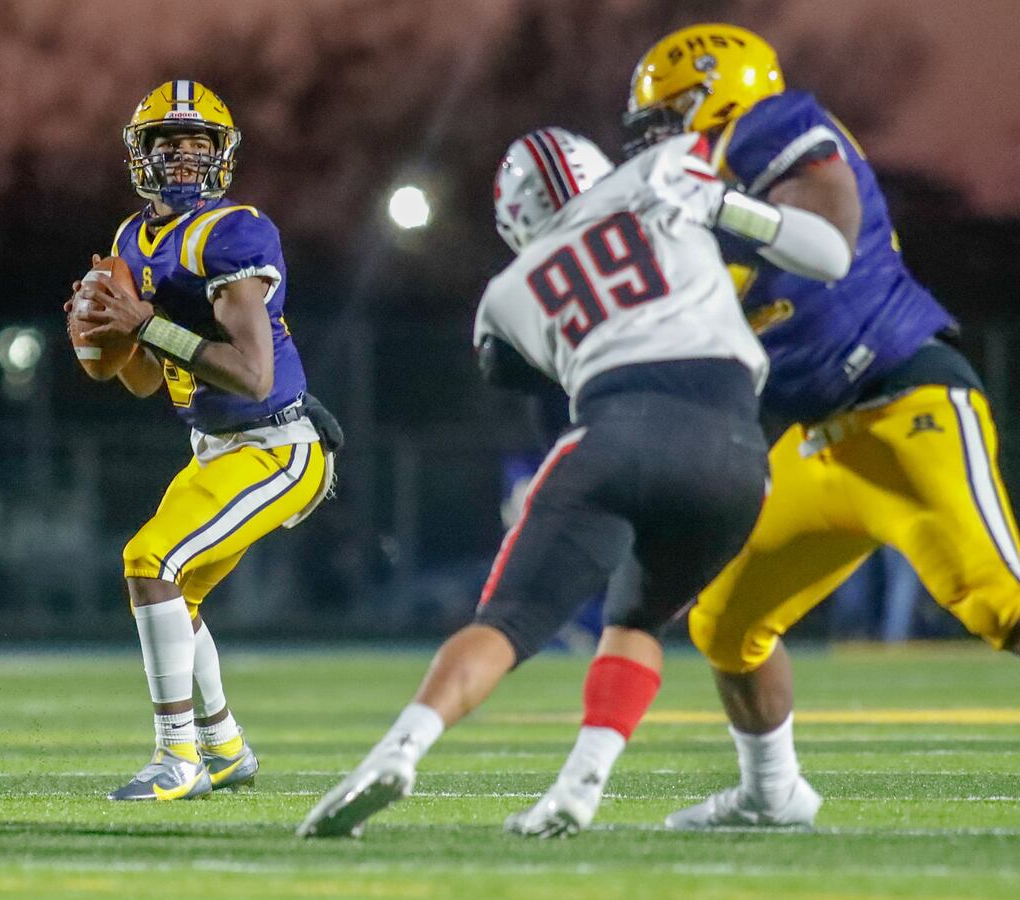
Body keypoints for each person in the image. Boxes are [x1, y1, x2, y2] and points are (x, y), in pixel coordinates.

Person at [301, 121, 837, 838]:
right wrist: (726, 208)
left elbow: (509, 366)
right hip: (735, 450)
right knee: (639, 620)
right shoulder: (665, 177)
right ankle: (580, 785)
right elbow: (823, 254)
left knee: (507, 623)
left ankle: (396, 752)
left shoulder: (507, 292)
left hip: (616, 431)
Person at [618, 23, 1020, 830]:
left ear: (714, 91)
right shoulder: (699, 203)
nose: (660, 139)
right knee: (725, 624)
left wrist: (716, 202)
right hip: (820, 438)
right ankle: (773, 796)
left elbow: (829, 251)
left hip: (907, 405)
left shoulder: (772, 125)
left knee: (999, 602)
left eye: (671, 115)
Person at [70, 80, 339, 802]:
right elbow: (146, 381)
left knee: (149, 559)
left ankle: (176, 757)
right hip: (216, 449)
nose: (184, 158)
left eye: (199, 145)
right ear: (141, 155)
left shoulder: (234, 231)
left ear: (222, 157)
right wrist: (107, 342)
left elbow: (253, 376)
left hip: (277, 448)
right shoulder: (133, 239)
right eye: (168, 143)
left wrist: (143, 324)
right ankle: (224, 749)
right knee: (173, 595)